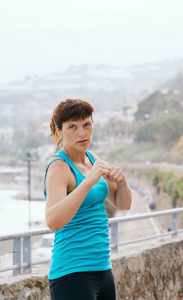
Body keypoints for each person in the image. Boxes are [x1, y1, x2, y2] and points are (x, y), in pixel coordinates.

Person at [44, 99, 132, 300]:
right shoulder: (59, 167)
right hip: (71, 273)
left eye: (86, 125)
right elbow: (52, 221)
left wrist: (122, 182)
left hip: (102, 268)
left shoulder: (92, 158)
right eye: (72, 127)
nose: (81, 133)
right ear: (59, 131)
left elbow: (123, 204)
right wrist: (88, 182)